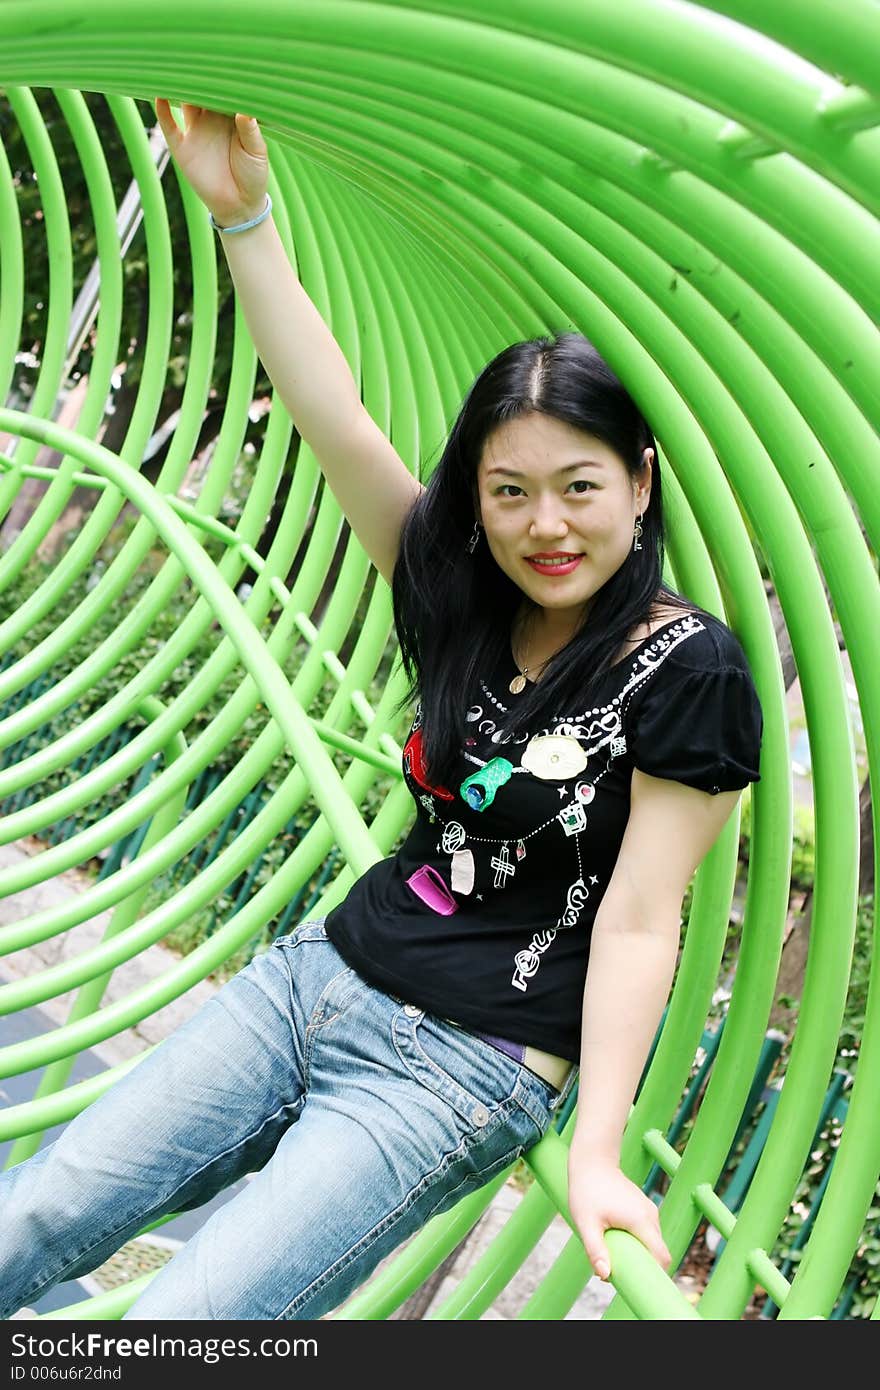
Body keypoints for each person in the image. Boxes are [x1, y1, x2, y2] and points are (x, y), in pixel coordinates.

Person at [0, 103, 763, 1321]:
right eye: (508, 491)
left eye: (578, 486)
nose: (544, 525)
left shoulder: (688, 668)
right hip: (317, 977)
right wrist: (243, 215)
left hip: (461, 1066)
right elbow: (334, 418)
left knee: (189, 1322)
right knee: (33, 1210)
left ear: (639, 481)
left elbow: (637, 924)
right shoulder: (460, 588)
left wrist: (600, 1147)